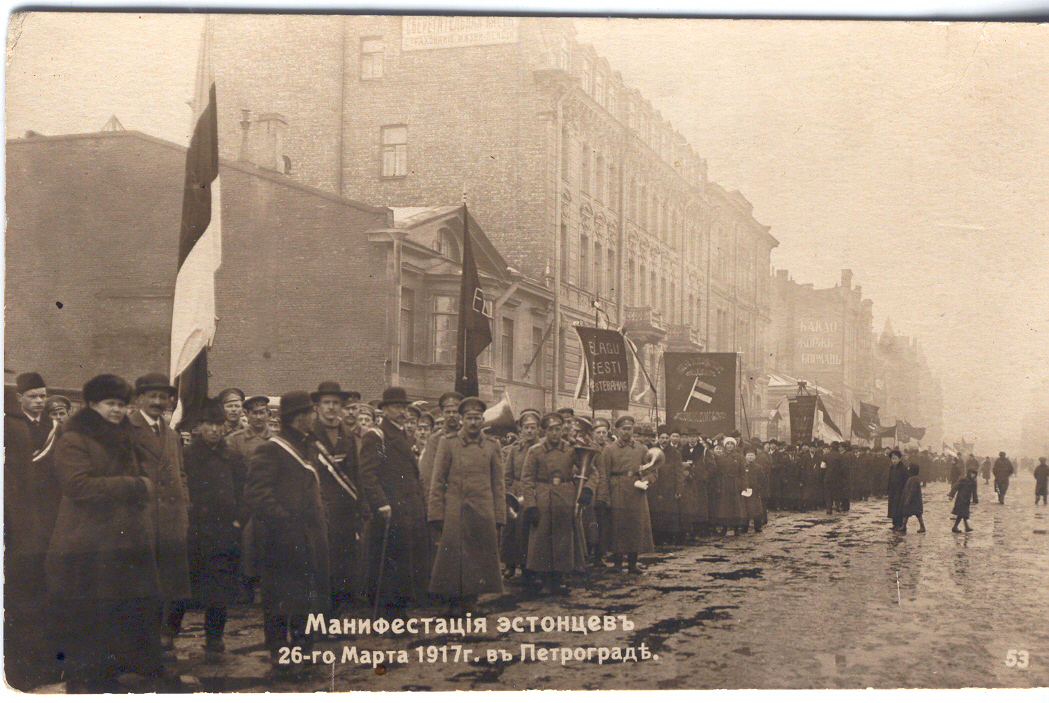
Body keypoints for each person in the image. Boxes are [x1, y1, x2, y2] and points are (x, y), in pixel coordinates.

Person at [46, 374, 169, 693]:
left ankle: (117, 671)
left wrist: (143, 484)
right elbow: (77, 486)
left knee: (123, 607)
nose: (117, 410)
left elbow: (144, 473)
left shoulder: (126, 434)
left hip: (125, 539)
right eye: (110, 404)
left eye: (122, 405)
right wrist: (134, 486)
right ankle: (88, 678)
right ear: (91, 404)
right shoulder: (74, 437)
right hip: (89, 540)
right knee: (93, 610)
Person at [243, 391, 330, 680]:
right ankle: (280, 649)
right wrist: (284, 521)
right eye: (310, 412)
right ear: (299, 417)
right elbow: (257, 493)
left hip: (307, 535)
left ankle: (304, 647)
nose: (314, 416)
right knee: (279, 597)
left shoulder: (308, 446)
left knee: (307, 595)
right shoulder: (272, 448)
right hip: (279, 537)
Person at [167, 400, 246, 659]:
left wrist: (238, 522)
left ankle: (214, 637)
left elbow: (245, 491)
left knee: (220, 588)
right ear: (199, 427)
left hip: (224, 532)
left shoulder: (232, 455)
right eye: (208, 424)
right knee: (182, 584)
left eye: (218, 425)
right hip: (195, 531)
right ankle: (169, 633)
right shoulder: (187, 455)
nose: (213, 430)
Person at [127, 373, 191, 652]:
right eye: (151, 396)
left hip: (172, 520)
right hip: (141, 518)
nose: (157, 401)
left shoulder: (172, 434)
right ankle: (140, 639)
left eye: (162, 397)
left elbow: (182, 474)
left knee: (171, 581)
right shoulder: (126, 429)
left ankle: (165, 632)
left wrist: (184, 506)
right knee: (141, 581)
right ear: (138, 398)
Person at [428, 397, 506, 614]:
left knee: (478, 557)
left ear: (483, 420)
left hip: (483, 511)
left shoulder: (492, 446)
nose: (473, 422)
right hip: (455, 510)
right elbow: (438, 480)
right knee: (453, 558)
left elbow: (498, 484)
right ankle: (454, 603)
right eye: (469, 418)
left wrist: (499, 515)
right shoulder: (448, 443)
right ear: (461, 420)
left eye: (477, 418)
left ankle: (472, 601)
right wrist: (436, 513)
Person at [359, 387, 431, 619]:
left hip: (407, 509)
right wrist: (381, 502)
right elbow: (370, 474)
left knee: (404, 562)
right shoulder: (378, 436)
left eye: (404, 407)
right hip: (391, 509)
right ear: (385, 409)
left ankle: (399, 611)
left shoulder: (401, 435)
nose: (402, 412)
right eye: (397, 407)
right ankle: (389, 615)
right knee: (390, 564)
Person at [308, 381, 364, 615]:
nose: (331, 407)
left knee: (343, 567)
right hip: (318, 508)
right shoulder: (309, 435)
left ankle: (335, 617)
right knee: (320, 566)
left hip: (344, 510)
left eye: (335, 403)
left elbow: (356, 473)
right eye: (327, 403)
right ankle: (320, 619)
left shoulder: (348, 435)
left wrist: (361, 507)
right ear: (318, 407)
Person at [521, 412, 593, 594]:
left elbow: (591, 471)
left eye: (558, 429)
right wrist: (530, 505)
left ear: (563, 430)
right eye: (551, 430)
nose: (555, 433)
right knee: (542, 540)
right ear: (544, 431)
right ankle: (545, 580)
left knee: (563, 539)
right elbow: (527, 480)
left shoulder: (571, 450)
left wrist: (587, 490)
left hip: (565, 498)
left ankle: (561, 578)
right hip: (543, 498)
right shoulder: (535, 451)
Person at [601, 415, 656, 574]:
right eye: (623, 429)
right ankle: (617, 563)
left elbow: (653, 470)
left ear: (633, 429)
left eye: (629, 429)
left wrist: (646, 480)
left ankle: (633, 562)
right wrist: (605, 495)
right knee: (617, 526)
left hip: (636, 491)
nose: (626, 432)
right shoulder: (609, 449)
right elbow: (604, 474)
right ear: (618, 430)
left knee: (635, 526)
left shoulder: (642, 449)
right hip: (616, 489)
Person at [501, 408, 541, 580]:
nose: (530, 431)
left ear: (539, 429)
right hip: (516, 491)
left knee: (530, 531)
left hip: (535, 491)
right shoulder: (515, 449)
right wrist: (509, 494)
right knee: (511, 529)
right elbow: (507, 474)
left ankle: (528, 566)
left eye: (533, 427)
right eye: (526, 427)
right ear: (521, 430)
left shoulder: (543, 448)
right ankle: (510, 564)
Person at [418, 391, 463, 499]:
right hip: (444, 497)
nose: (451, 415)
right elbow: (427, 474)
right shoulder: (435, 439)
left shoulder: (468, 436)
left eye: (455, 412)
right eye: (448, 412)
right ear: (442, 413)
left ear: (460, 414)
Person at [648, 426, 682, 545]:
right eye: (662, 438)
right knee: (656, 512)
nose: (664, 440)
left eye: (667, 438)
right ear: (658, 438)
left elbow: (678, 471)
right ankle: (657, 537)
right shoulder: (652, 451)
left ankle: (670, 537)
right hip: (655, 486)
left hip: (669, 487)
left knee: (669, 512)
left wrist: (678, 489)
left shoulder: (674, 453)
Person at [948, 468, 979, 532]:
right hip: (961, 498)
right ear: (969, 473)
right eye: (972, 473)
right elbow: (955, 487)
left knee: (963, 513)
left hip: (967, 499)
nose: (973, 475)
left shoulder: (974, 482)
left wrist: (975, 500)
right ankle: (955, 527)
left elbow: (974, 492)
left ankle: (965, 527)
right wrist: (951, 495)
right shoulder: (963, 479)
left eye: (975, 474)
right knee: (962, 513)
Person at [900, 463, 926, 534]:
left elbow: (912, 491)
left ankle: (922, 526)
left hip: (914, 501)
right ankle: (904, 526)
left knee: (918, 514)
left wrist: (908, 500)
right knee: (906, 513)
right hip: (912, 500)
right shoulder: (913, 478)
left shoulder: (914, 479)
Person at [886, 449, 908, 531]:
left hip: (900, 491)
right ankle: (894, 524)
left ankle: (900, 524)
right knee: (892, 508)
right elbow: (890, 479)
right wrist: (888, 490)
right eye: (892, 459)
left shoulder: (903, 468)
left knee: (899, 508)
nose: (894, 461)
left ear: (899, 459)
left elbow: (906, 480)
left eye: (895, 459)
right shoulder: (892, 468)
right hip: (892, 491)